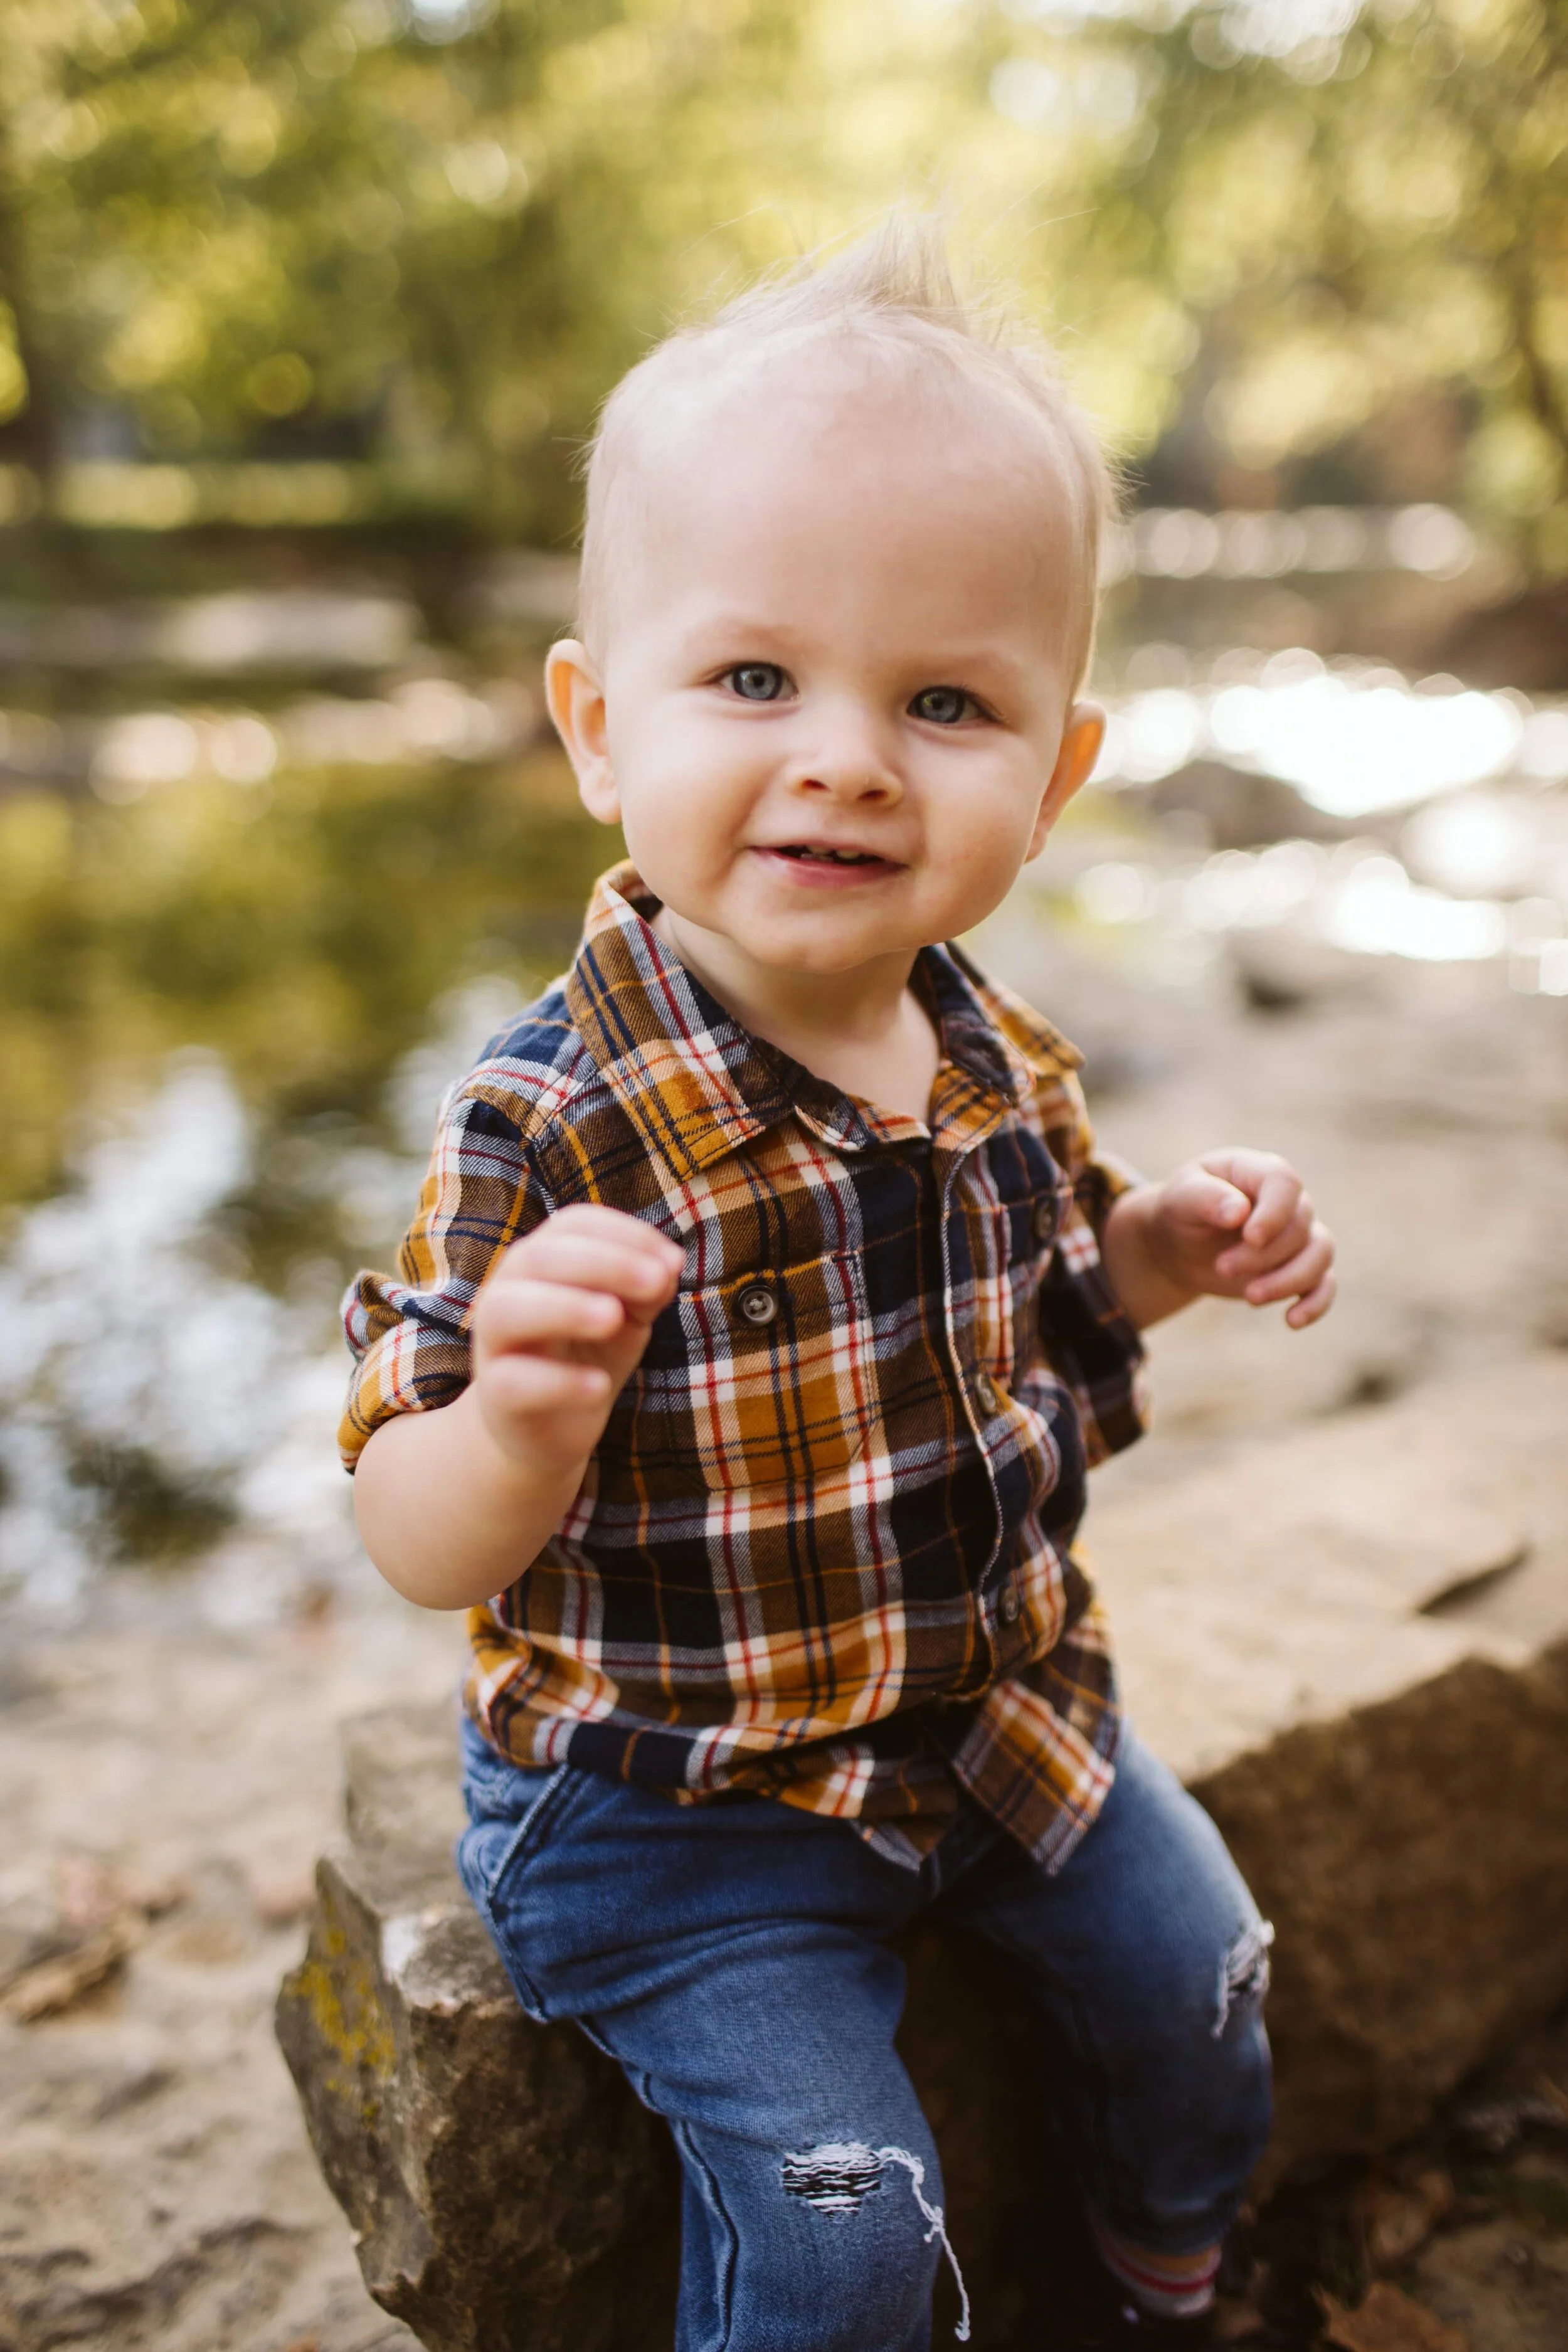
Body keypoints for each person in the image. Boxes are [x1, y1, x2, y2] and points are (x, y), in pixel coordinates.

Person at [341, 219, 1336, 2352]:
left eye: (947, 700)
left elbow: (1059, 1282)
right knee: (847, 2232)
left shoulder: (991, 1047)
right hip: (680, 1806)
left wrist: (1167, 1246)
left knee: (1215, 1985)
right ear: (601, 728)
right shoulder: (550, 1120)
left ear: (1054, 774)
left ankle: (1160, 2269)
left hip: (991, 1715)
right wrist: (507, 1420)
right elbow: (408, 1530)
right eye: (756, 678)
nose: (851, 756)